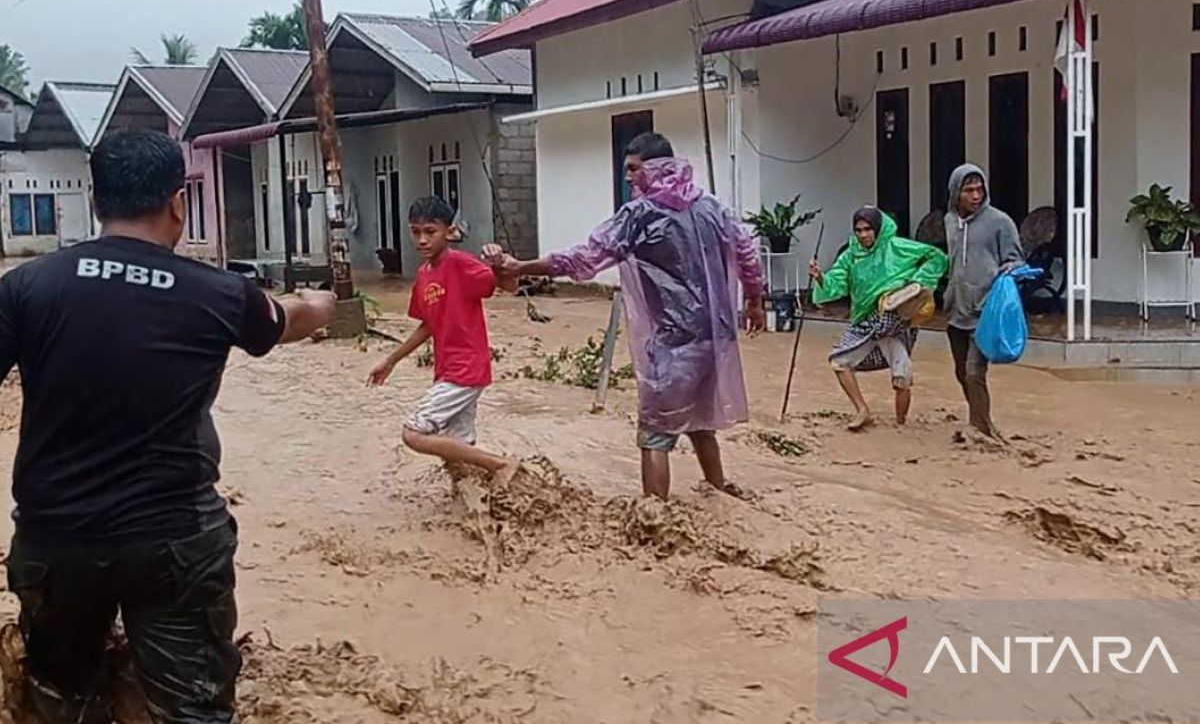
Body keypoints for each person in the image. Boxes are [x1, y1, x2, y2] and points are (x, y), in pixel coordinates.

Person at [0, 129, 336, 723]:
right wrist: (324, 302)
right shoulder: (219, 293)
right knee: (195, 712)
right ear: (177, 202)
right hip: (175, 541)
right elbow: (289, 320)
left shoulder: (26, 287)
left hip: (57, 539)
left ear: (97, 201)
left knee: (61, 702)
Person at [488, 132, 766, 500]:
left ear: (655, 168)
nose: (628, 177)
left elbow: (584, 259)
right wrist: (754, 300)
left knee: (654, 432)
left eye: (634, 169)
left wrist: (521, 266)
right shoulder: (713, 207)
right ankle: (719, 492)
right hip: (716, 336)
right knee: (700, 420)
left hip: (674, 340)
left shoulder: (639, 215)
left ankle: (654, 515)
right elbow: (746, 251)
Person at [368, 196, 520, 488]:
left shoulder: (461, 264)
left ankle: (500, 464)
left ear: (449, 232)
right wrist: (391, 360)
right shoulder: (423, 276)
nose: (422, 239)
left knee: (413, 433)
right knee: (458, 456)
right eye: (415, 232)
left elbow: (509, 287)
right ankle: (475, 509)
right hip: (448, 369)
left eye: (430, 231)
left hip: (466, 369)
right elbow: (428, 326)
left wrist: (499, 261)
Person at [809, 207, 948, 431]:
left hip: (895, 321)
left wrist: (921, 279)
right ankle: (862, 410)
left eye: (868, 229)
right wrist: (821, 278)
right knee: (839, 361)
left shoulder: (898, 247)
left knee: (902, 376)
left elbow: (936, 257)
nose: (863, 235)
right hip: (867, 321)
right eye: (859, 230)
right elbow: (836, 282)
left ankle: (901, 425)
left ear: (878, 229)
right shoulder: (850, 257)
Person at [944, 164, 1024, 438]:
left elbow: (1016, 259)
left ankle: (983, 429)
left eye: (979, 189)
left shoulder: (1000, 222)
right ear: (956, 193)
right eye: (968, 190)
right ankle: (977, 418)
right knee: (960, 372)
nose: (975, 195)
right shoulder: (949, 222)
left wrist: (1012, 267)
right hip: (956, 309)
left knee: (974, 372)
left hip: (985, 310)